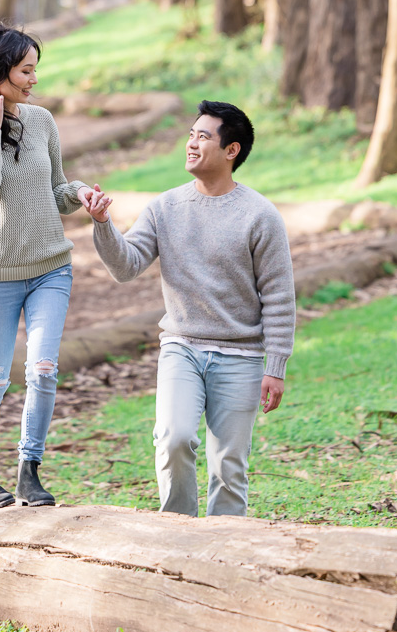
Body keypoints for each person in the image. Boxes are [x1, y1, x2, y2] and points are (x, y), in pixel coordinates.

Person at [86, 100, 295, 518]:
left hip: (242, 355)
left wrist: (276, 366)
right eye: (190, 135)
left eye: (203, 136)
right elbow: (126, 266)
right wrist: (104, 225)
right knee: (173, 437)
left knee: (229, 466)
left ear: (231, 150)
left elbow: (279, 295)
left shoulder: (260, 215)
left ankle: (222, 550)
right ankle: (176, 531)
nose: (192, 143)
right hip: (182, 346)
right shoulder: (165, 208)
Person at [0, 22, 99, 511]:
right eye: (26, 70)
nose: (34, 80)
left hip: (50, 268)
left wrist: (78, 192)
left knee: (44, 368)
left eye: (36, 70)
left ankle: (30, 471)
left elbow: (55, 194)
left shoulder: (43, 122)